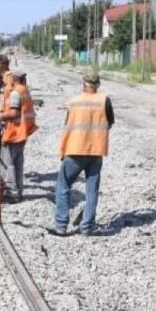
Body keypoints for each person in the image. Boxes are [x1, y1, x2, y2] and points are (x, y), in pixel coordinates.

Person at [49, 71, 115, 236]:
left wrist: (63, 150)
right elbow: (109, 123)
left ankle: (61, 225)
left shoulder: (74, 102)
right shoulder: (104, 100)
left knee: (63, 186)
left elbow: (67, 127)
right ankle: (87, 227)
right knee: (92, 189)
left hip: (75, 150)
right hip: (96, 151)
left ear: (83, 84)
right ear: (98, 85)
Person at [0, 69, 37, 203]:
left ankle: (12, 192)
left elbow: (14, 113)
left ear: (14, 79)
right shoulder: (25, 90)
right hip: (24, 131)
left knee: (8, 163)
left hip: (14, 132)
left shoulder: (16, 93)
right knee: (18, 162)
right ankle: (19, 191)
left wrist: (1, 116)